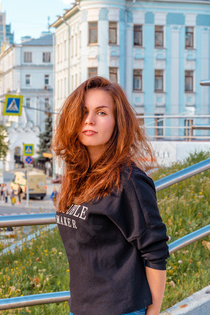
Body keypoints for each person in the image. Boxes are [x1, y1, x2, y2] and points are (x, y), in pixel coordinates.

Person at [51, 76, 169, 315]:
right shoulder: (78, 176)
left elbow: (155, 251)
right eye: (83, 112)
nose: (89, 120)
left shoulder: (129, 180)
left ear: (118, 122)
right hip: (83, 307)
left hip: (120, 309)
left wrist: (152, 313)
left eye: (102, 113)